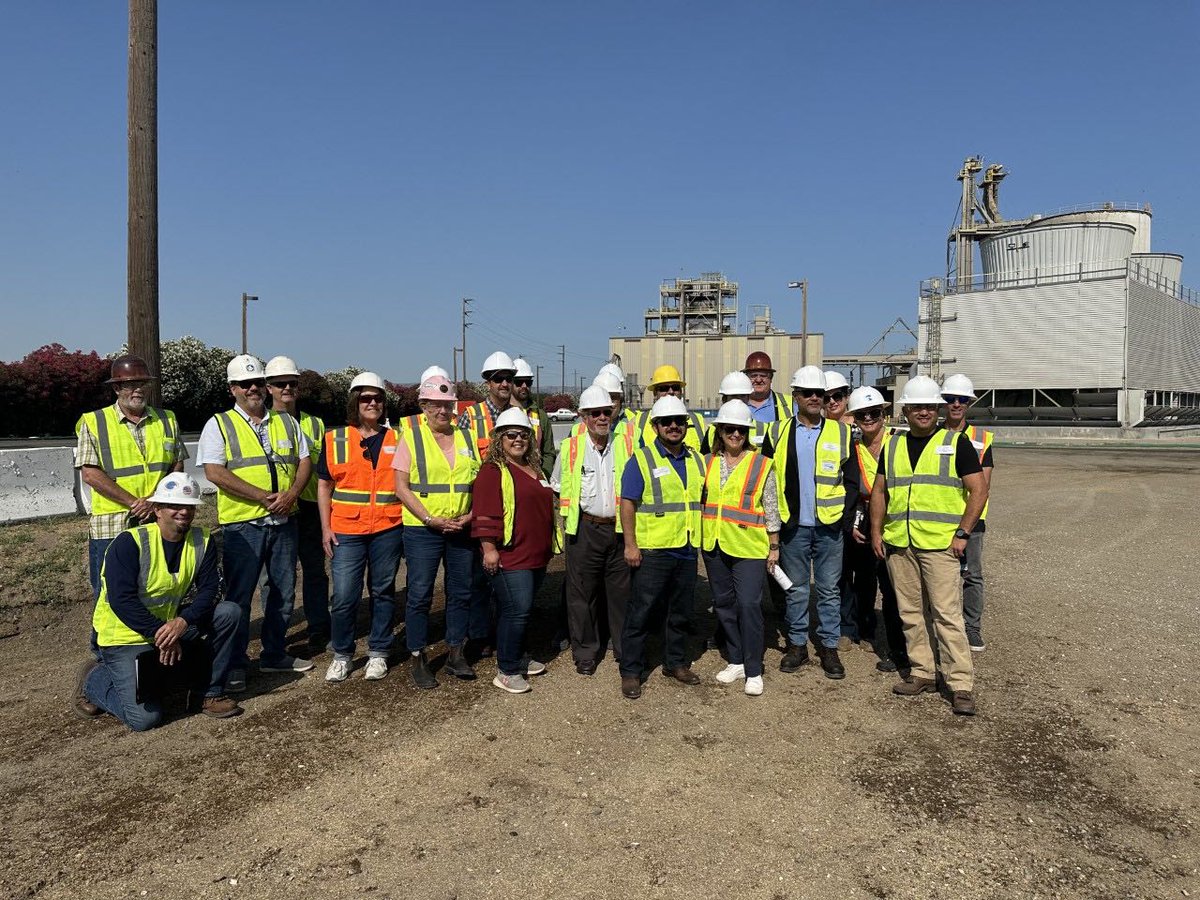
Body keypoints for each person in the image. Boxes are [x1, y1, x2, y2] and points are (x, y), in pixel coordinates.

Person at [75, 473, 241, 730]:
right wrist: (162, 634)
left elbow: (210, 590)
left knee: (228, 612)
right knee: (144, 719)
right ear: (157, 510)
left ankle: (208, 693)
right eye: (174, 506)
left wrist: (182, 622)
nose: (183, 512)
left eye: (189, 506)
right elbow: (122, 600)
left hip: (167, 627)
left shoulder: (202, 541)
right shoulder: (129, 543)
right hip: (124, 636)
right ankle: (94, 679)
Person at [869, 375, 987, 717]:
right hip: (900, 543)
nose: (924, 412)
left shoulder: (956, 443)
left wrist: (963, 533)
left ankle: (960, 683)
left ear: (937, 409)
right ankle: (922, 672)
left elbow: (978, 490)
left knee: (947, 616)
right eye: (917, 406)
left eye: (930, 407)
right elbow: (879, 491)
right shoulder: (892, 446)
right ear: (905, 410)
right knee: (910, 613)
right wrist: (877, 532)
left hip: (939, 546)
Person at [198, 354, 315, 693]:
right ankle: (233, 664)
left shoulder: (287, 422)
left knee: (281, 592)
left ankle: (274, 653)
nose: (253, 389)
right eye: (244, 384)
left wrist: (292, 493)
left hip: (284, 519)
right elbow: (214, 472)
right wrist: (264, 496)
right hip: (243, 525)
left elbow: (304, 461)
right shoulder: (218, 424)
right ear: (233, 389)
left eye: (258, 383)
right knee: (239, 597)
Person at [761, 365, 858, 680]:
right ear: (796, 396)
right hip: (794, 528)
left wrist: (843, 519)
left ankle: (829, 647)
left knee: (829, 590)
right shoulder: (776, 432)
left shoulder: (841, 432)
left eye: (821, 393)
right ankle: (798, 645)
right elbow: (765, 479)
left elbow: (852, 479)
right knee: (797, 590)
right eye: (808, 393)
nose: (816, 398)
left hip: (829, 528)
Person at [394, 375, 482, 689]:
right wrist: (430, 518)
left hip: (460, 527)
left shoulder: (467, 438)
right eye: (436, 405)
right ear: (424, 406)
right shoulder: (412, 437)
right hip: (423, 530)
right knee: (420, 594)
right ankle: (418, 657)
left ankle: (456, 653)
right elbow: (401, 488)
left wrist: (469, 516)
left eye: (447, 405)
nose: (442, 411)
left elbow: (478, 485)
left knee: (461, 592)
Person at [74, 355, 186, 600]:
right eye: (130, 384)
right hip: (113, 524)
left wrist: (155, 501)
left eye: (142, 384)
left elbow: (177, 464)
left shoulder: (168, 419)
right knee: (109, 593)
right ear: (116, 388)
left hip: (157, 519)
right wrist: (136, 503)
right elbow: (90, 474)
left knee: (158, 587)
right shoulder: (94, 422)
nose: (138, 390)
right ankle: (103, 641)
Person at [318, 373, 405, 684]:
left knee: (382, 591)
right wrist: (325, 527)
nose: (372, 403)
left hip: (388, 527)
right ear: (355, 402)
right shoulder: (335, 439)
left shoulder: (398, 438)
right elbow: (324, 486)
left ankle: (379, 651)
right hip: (346, 530)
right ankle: (342, 654)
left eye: (378, 398)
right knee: (344, 595)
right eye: (366, 398)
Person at [618, 395, 706, 700]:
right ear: (655, 426)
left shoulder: (696, 460)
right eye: (666, 422)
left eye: (679, 422)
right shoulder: (641, 460)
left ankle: (676, 663)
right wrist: (630, 544)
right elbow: (628, 503)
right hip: (653, 550)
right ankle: (631, 671)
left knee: (680, 612)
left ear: (686, 425)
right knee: (641, 612)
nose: (673, 426)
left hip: (685, 547)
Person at [472, 409, 558, 693]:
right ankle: (507, 669)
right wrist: (488, 549)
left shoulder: (535, 469)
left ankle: (518, 656)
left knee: (522, 610)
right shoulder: (492, 471)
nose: (518, 439)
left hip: (536, 554)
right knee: (516, 610)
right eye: (511, 434)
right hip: (511, 555)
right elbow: (484, 512)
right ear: (499, 438)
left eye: (523, 434)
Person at [552, 385, 635, 675]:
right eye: (595, 413)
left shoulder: (626, 445)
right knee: (582, 594)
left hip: (619, 529)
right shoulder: (571, 449)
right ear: (583, 417)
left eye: (606, 412)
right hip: (584, 529)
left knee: (621, 594)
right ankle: (586, 651)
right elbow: (558, 486)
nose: (602, 417)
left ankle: (625, 650)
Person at [701, 400, 780, 697]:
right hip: (714, 543)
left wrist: (774, 546)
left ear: (748, 432)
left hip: (748, 546)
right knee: (724, 604)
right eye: (729, 429)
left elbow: (771, 508)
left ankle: (753, 668)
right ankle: (735, 660)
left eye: (741, 430)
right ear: (720, 431)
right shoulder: (707, 462)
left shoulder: (761, 464)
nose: (735, 434)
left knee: (748, 605)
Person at [264, 355, 330, 653]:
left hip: (312, 508)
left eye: (292, 383)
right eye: (280, 384)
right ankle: (275, 637)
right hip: (282, 509)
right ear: (269, 388)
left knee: (315, 571)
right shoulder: (262, 424)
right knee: (279, 578)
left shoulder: (315, 424)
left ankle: (319, 628)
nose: (287, 388)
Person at [844, 386, 910, 677]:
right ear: (855, 419)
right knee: (866, 580)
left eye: (874, 413)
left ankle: (902, 651)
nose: (869, 418)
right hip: (866, 523)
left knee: (896, 590)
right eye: (862, 415)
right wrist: (856, 524)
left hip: (895, 525)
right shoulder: (853, 450)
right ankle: (864, 627)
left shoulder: (900, 443)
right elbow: (851, 493)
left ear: (884, 415)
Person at [941, 373, 994, 652]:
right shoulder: (931, 435)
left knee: (972, 575)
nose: (956, 404)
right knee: (939, 577)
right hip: (938, 518)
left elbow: (982, 486)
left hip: (971, 521)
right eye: (950, 399)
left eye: (962, 399)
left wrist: (966, 525)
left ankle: (972, 628)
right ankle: (939, 625)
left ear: (969, 403)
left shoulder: (981, 439)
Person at [630, 365, 704, 451]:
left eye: (675, 388)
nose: (671, 392)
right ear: (654, 393)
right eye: (664, 388)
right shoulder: (638, 422)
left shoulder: (698, 421)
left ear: (681, 391)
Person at [460, 350, 517, 458]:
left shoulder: (519, 414)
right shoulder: (470, 416)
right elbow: (462, 457)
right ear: (488, 384)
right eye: (498, 379)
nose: (504, 384)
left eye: (508, 379)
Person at [510, 356, 556, 477]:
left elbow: (549, 453)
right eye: (519, 382)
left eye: (528, 381)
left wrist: (543, 475)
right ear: (510, 383)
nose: (524, 385)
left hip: (536, 477)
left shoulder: (541, 416)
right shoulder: (502, 413)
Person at [742, 351, 791, 427]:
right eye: (754, 376)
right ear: (746, 378)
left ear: (771, 378)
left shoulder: (790, 404)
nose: (758, 380)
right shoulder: (736, 404)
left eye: (763, 375)